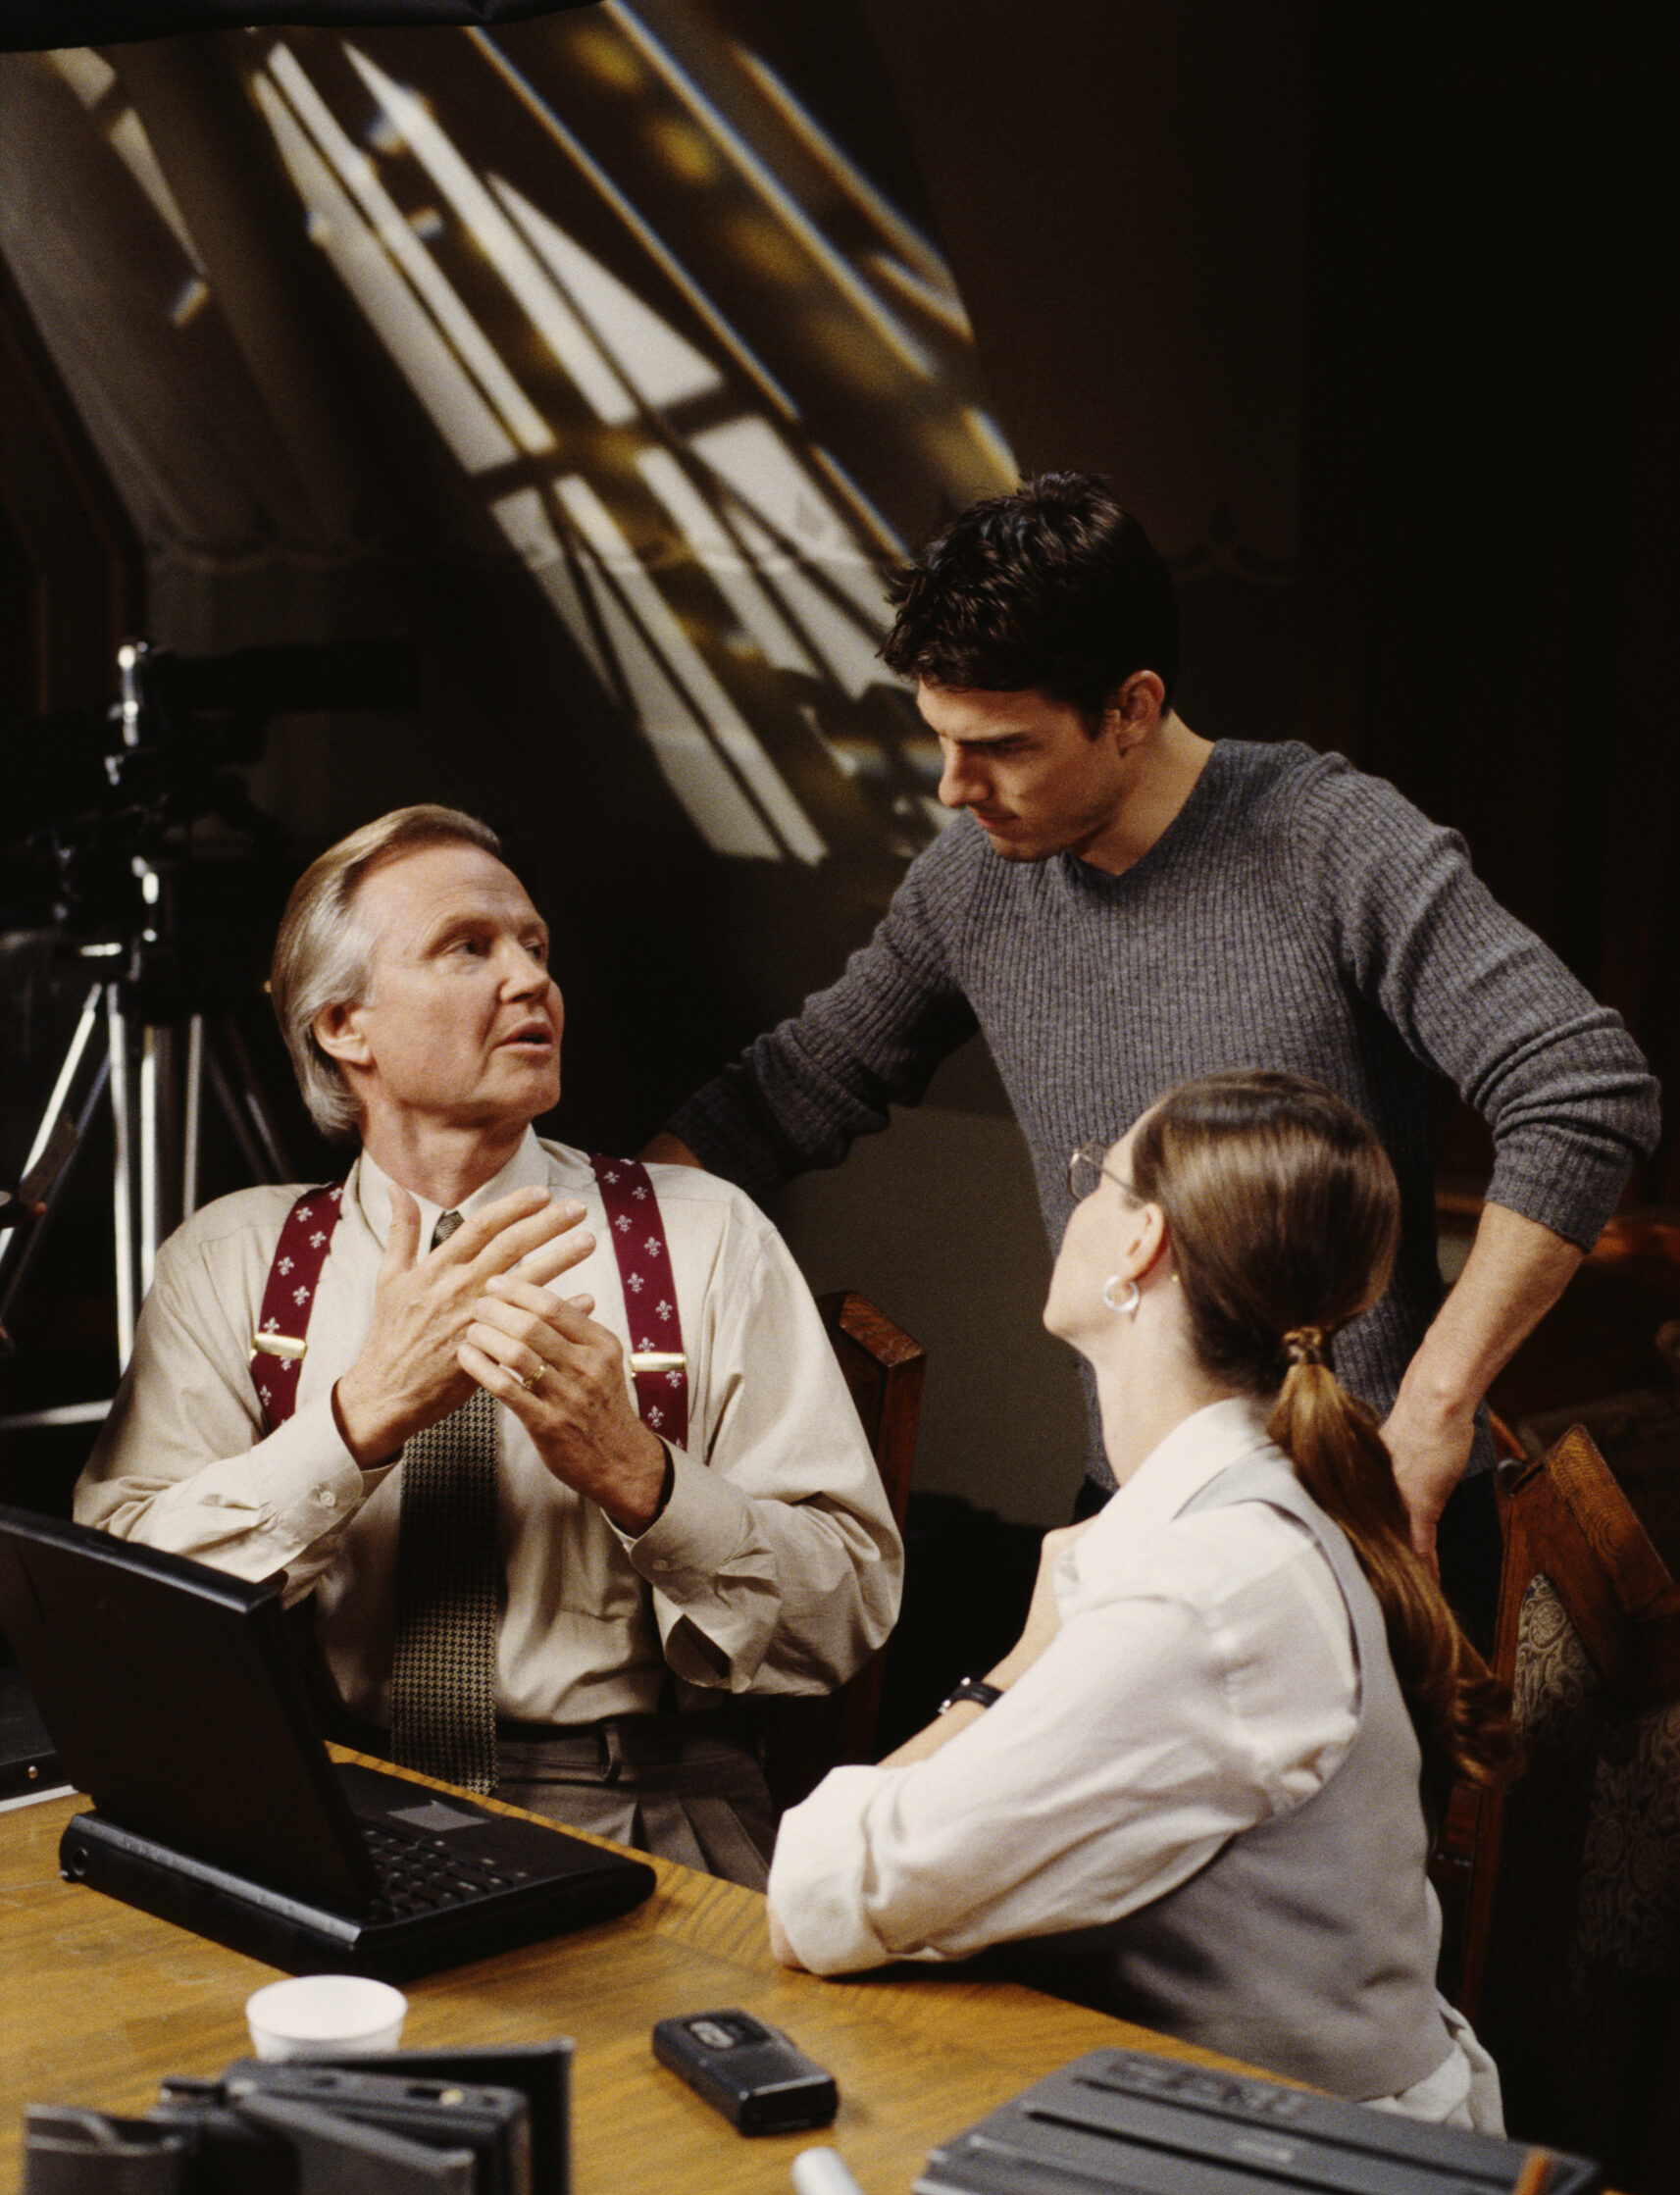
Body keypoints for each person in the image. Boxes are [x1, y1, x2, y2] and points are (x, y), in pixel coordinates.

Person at [646, 475, 1660, 1642]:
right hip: (1135, 1516)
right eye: (941, 740)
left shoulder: (1334, 839)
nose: (953, 786)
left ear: (1132, 706)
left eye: (1001, 747)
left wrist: (1438, 1402)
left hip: (1374, 1514)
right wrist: (581, 1252)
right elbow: (781, 1096)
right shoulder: (974, 876)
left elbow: (1583, 1086)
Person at [76, 806, 901, 1884]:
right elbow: (120, 1623)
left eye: (534, 947)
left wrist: (638, 1474)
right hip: (322, 1801)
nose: (528, 980)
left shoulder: (703, 1235)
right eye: (469, 947)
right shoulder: (232, 1260)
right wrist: (349, 1425)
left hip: (641, 1813)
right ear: (343, 1025)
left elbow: (845, 1616)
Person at [766, 1070, 1513, 2125]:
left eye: (1097, 1180)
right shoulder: (1251, 1512)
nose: (1075, 1203)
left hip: (1301, 2185)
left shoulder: (1209, 1595)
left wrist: (1013, 1674)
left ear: (1140, 1247)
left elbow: (820, 1890)